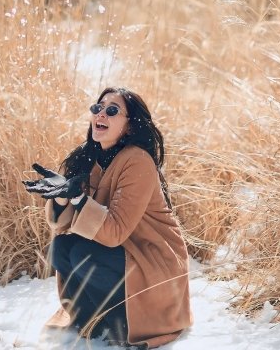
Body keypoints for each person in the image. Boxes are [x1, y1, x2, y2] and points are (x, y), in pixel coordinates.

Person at [23, 87, 192, 348]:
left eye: (112, 110)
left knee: (83, 254)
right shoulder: (85, 158)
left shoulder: (137, 161)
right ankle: (93, 318)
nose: (100, 113)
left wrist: (79, 199)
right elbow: (61, 225)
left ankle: (123, 322)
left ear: (130, 127)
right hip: (120, 251)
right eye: (97, 108)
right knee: (61, 248)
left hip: (152, 259)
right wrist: (61, 196)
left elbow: (114, 232)